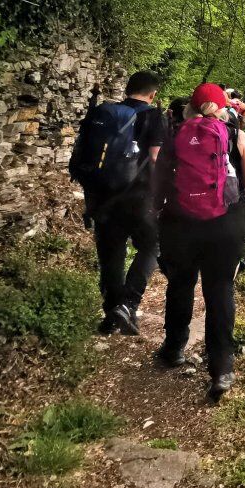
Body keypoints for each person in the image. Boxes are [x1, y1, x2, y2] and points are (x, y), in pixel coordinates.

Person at [154, 83, 245, 401]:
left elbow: (159, 182)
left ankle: (174, 348)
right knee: (219, 291)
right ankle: (221, 369)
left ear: (191, 107)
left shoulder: (176, 134)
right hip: (226, 225)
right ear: (224, 107)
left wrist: (157, 215)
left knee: (180, 284)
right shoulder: (236, 136)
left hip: (180, 222)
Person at [69, 70, 168, 335]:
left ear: (127, 89)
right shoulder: (154, 116)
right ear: (153, 94)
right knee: (152, 246)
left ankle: (111, 314)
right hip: (139, 198)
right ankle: (128, 303)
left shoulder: (106, 114)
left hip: (103, 196)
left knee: (111, 255)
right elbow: (156, 159)